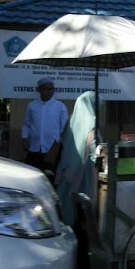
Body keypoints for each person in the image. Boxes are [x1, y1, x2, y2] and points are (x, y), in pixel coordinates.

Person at [55, 91, 99, 227]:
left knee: (66, 200)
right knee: (84, 202)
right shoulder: (92, 122)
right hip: (84, 169)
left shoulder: (71, 119)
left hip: (67, 167)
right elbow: (93, 149)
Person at [21, 77, 68, 175]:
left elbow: (64, 127)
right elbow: (26, 124)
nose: (49, 92)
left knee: (51, 177)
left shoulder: (60, 106)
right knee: (32, 175)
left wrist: (59, 144)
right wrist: (24, 138)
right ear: (39, 90)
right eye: (46, 89)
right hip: (34, 147)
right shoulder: (32, 105)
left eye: (51, 89)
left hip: (52, 149)